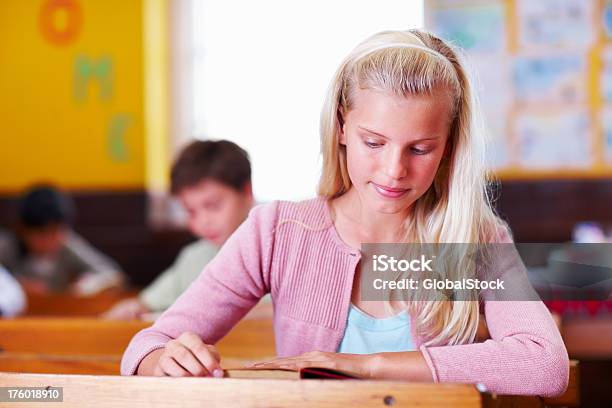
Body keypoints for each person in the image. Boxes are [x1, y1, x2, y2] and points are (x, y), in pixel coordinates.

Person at [121, 30, 568, 397]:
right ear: (340, 128)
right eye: (373, 142)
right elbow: (146, 345)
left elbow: (545, 364)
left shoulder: (479, 240)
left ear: (448, 147)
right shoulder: (276, 231)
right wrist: (162, 359)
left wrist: (365, 367)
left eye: (420, 148)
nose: (394, 170)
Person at [102, 140, 254, 320]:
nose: (203, 221)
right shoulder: (194, 257)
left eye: (213, 206)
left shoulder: (276, 252)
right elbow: (147, 302)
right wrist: (132, 308)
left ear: (246, 193)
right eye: (191, 211)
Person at [0, 186, 124, 296]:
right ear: (23, 230)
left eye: (54, 232)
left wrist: (89, 285)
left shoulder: (68, 245)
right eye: (40, 234)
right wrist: (14, 286)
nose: (48, 241)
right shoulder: (7, 246)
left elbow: (113, 275)